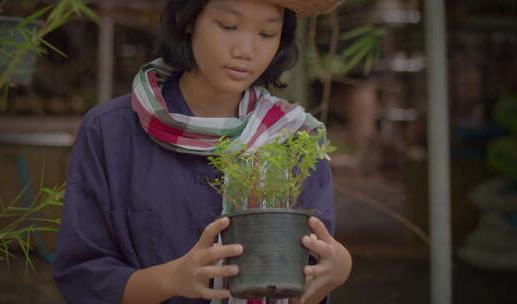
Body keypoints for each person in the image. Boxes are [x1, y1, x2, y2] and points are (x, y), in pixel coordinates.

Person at [53, 0, 352, 303]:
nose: (245, 50)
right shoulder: (110, 131)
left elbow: (303, 284)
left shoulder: (295, 136)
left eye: (266, 33)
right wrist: (169, 279)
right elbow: (81, 276)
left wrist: (335, 272)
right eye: (228, 26)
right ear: (187, 21)